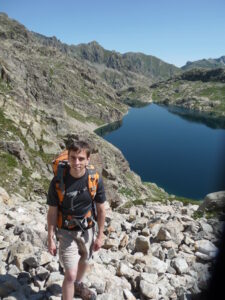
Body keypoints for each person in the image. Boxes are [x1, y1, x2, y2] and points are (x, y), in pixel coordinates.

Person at [47, 140, 106, 300]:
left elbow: (101, 209)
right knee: (70, 275)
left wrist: (100, 236)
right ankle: (73, 284)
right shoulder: (58, 182)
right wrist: (51, 238)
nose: (76, 162)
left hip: (87, 230)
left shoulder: (94, 179)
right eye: (73, 158)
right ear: (68, 158)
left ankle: (78, 285)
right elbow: (52, 212)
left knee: (85, 259)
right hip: (66, 232)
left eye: (81, 159)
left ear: (88, 160)